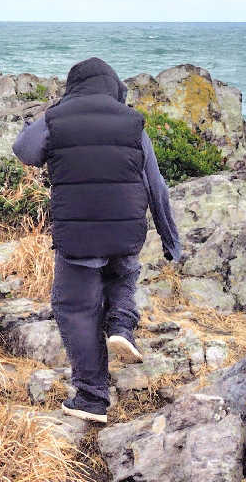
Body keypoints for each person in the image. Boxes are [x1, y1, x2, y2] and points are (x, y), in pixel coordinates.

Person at [13, 56, 181, 425]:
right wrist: (171, 241)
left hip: (78, 237)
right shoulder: (133, 123)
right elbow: (157, 187)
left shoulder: (57, 118)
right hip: (125, 232)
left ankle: (92, 397)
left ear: (73, 88)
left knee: (76, 309)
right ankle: (122, 328)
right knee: (123, 275)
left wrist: (54, 112)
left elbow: (24, 151)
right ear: (114, 88)